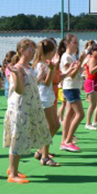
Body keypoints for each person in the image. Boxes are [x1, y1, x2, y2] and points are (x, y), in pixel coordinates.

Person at [4, 39, 52, 183]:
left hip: (28, 107)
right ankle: (12, 174)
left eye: (34, 50)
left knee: (22, 137)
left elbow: (31, 86)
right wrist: (18, 74)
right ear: (21, 51)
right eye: (30, 50)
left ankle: (14, 169)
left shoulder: (29, 68)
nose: (33, 53)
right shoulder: (17, 68)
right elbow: (19, 90)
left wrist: (39, 76)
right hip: (18, 109)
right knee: (17, 139)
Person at [32, 38, 61, 166]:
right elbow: (47, 82)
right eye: (54, 50)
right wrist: (53, 67)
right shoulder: (41, 65)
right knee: (50, 127)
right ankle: (44, 156)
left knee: (56, 125)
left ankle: (40, 151)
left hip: (47, 97)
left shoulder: (44, 63)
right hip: (43, 99)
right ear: (50, 52)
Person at [59, 34, 87, 152]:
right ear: (68, 43)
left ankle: (64, 140)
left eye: (77, 42)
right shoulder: (66, 57)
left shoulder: (72, 56)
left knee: (69, 114)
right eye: (75, 42)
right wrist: (80, 60)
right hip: (70, 87)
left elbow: (77, 72)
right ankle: (68, 140)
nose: (77, 45)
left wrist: (82, 68)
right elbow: (71, 74)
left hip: (74, 86)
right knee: (80, 114)